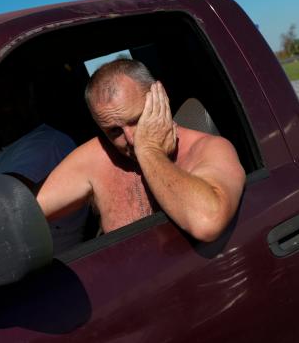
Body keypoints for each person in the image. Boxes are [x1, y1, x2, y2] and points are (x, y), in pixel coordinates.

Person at [37, 59, 245, 243]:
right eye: (114, 131)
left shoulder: (209, 148)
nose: (130, 139)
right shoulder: (98, 156)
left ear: (160, 97)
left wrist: (150, 150)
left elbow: (206, 223)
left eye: (137, 120)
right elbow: (26, 215)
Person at [0, 71, 87, 252]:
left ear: (30, 97)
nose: (5, 108)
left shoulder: (48, 143)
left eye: (11, 98)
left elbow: (0, 202)